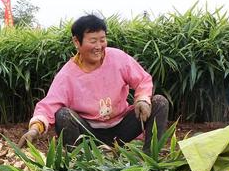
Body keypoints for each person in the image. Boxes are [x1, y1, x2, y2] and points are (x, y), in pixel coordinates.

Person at [18, 14, 169, 151]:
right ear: (77, 42)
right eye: (93, 41)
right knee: (63, 115)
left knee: (159, 102)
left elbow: (143, 79)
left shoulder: (118, 58)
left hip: (122, 127)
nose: (99, 46)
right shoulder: (67, 74)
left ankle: (150, 158)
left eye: (102, 40)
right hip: (90, 134)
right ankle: (79, 163)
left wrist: (142, 99)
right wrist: (35, 129)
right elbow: (49, 105)